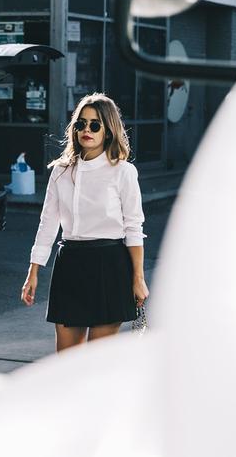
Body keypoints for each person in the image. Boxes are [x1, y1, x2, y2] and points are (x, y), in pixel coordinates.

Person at [21, 92, 149, 352]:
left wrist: (138, 278)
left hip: (110, 266)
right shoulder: (61, 171)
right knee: (67, 363)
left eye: (94, 125)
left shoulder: (123, 172)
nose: (86, 130)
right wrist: (33, 271)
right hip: (70, 265)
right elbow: (48, 222)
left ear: (108, 130)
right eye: (81, 124)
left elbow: (133, 228)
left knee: (95, 365)